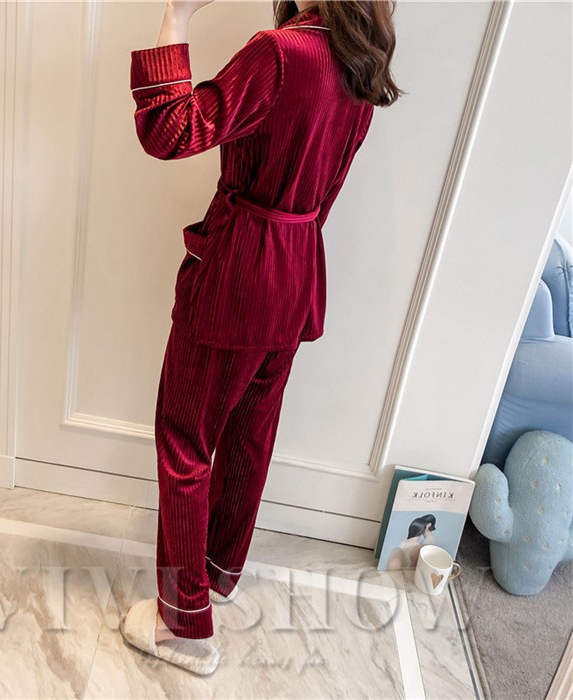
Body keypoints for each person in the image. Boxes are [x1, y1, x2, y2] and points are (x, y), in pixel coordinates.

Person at [119, 0, 403, 675]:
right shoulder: (359, 59)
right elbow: (328, 190)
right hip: (297, 270)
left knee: (185, 443)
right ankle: (218, 570)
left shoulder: (282, 54)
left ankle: (184, 626)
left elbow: (168, 130)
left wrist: (176, 16)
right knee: (250, 431)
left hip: (241, 273)